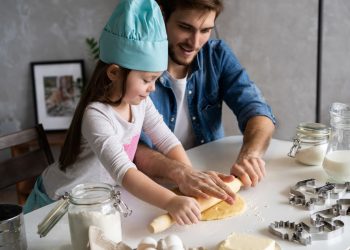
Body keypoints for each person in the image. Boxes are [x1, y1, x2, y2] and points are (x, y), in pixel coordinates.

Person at [24, 0, 236, 225]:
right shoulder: (96, 115)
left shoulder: (140, 103)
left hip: (93, 202)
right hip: (57, 205)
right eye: (147, 80)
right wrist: (171, 201)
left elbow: (166, 139)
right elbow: (124, 172)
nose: (153, 87)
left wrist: (191, 177)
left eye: (156, 79)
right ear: (114, 72)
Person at [135, 0, 276, 198]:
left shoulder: (216, 55)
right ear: (161, 18)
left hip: (213, 176)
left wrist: (251, 155)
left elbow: (258, 112)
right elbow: (134, 148)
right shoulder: (135, 66)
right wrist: (182, 173)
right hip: (154, 187)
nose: (194, 43)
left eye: (205, 30)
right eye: (185, 27)